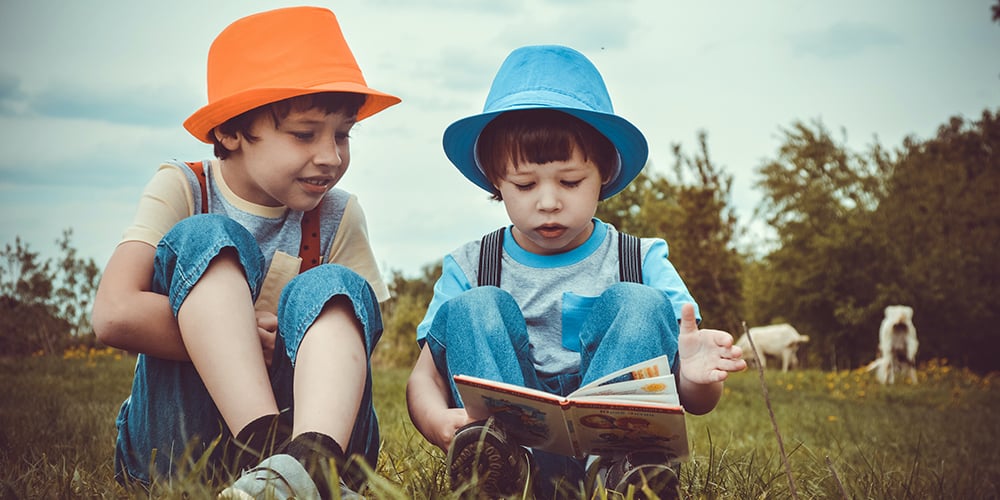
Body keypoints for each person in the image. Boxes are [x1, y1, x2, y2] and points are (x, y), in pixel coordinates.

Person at [405, 44, 746, 499]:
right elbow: (423, 377)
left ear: (603, 172)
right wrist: (435, 420)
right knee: (475, 307)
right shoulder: (470, 265)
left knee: (640, 301)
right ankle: (499, 470)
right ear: (495, 180)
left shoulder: (639, 260)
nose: (548, 201)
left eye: (570, 182)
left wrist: (695, 380)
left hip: (614, 445)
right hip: (512, 444)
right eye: (525, 185)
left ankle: (624, 473)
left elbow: (694, 400)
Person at [91, 7, 400, 499]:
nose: (331, 156)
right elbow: (114, 313)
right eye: (305, 134)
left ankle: (310, 464)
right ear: (230, 132)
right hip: (183, 443)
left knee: (333, 289)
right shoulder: (185, 187)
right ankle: (272, 452)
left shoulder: (339, 213)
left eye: (342, 134)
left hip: (317, 430)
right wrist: (234, 334)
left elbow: (352, 341)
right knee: (207, 237)